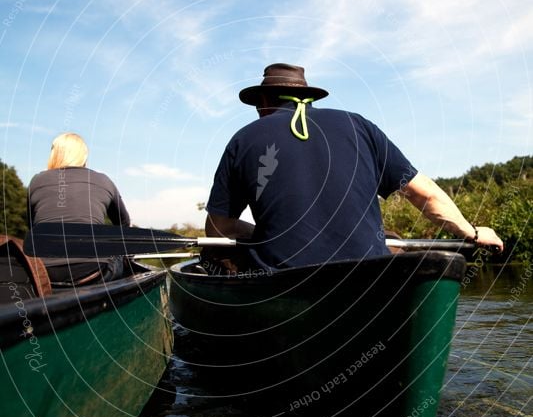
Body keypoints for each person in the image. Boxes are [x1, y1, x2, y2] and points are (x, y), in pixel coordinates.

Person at [205, 64, 503, 269]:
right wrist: (473, 234)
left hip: (285, 279)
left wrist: (263, 233)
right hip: (366, 277)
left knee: (214, 253)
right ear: (308, 99)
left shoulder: (243, 139)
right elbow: (423, 195)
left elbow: (218, 230)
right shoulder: (359, 125)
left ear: (264, 102)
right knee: (393, 243)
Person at [27, 132, 131, 284]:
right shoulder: (103, 180)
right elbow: (124, 225)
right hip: (95, 271)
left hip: (43, 272)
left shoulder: (36, 181)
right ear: (84, 157)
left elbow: (32, 227)